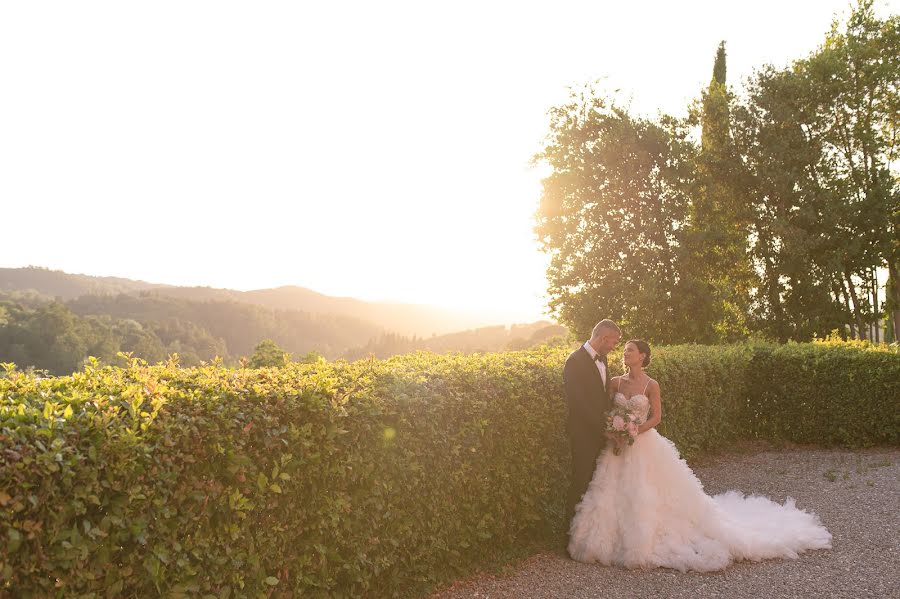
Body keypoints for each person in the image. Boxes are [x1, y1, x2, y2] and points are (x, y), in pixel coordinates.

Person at [567, 339, 832, 572]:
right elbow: (605, 411)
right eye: (624, 350)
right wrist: (614, 430)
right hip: (617, 445)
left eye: (630, 350)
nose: (625, 354)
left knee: (645, 492)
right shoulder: (614, 382)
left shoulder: (651, 384)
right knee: (610, 490)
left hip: (642, 442)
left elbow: (657, 416)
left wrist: (634, 431)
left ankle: (643, 540)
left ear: (643, 357)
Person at [562, 319, 621, 531]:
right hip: (583, 433)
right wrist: (603, 427)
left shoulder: (603, 360)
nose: (614, 347)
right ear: (603, 338)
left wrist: (614, 423)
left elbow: (603, 397)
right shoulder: (575, 361)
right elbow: (578, 403)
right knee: (581, 479)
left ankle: (591, 530)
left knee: (598, 481)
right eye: (613, 342)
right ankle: (570, 533)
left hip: (602, 432)